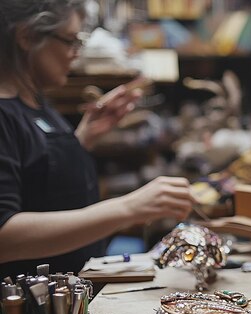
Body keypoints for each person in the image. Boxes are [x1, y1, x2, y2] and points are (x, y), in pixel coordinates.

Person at [0, 0, 194, 278]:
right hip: (31, 313)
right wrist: (129, 207)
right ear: (26, 36)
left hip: (70, 298)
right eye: (70, 41)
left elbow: (38, 179)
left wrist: (84, 137)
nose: (75, 55)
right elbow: (4, 236)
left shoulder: (36, 103)